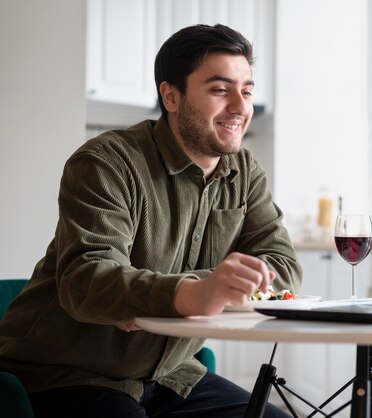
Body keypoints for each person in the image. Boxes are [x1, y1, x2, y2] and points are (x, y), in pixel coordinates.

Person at [0, 24, 302, 418]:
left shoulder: (245, 171)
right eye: (219, 89)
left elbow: (284, 271)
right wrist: (193, 293)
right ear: (171, 96)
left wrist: (165, 296)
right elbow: (87, 281)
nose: (240, 107)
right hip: (67, 373)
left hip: (171, 374)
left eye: (246, 90)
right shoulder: (106, 162)